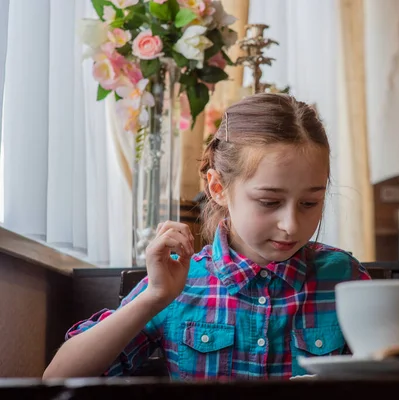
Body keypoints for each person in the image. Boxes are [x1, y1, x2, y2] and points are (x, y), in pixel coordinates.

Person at [43, 93, 371, 381]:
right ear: (218, 188)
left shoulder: (345, 280)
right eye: (269, 202)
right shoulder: (179, 285)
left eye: (310, 203)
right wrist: (154, 297)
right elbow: (58, 377)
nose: (291, 225)